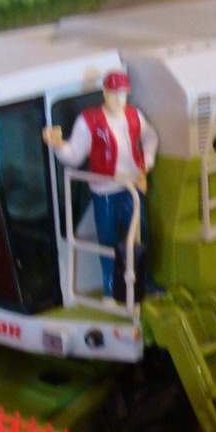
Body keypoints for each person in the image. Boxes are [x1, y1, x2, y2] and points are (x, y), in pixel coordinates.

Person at [43, 70, 158, 297]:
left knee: (140, 236)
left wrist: (146, 161)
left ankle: (143, 284)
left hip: (133, 188)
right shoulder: (89, 121)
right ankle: (110, 290)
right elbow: (74, 155)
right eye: (114, 94)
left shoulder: (134, 115)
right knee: (108, 242)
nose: (119, 99)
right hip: (105, 192)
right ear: (104, 93)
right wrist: (58, 146)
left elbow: (150, 136)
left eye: (123, 94)